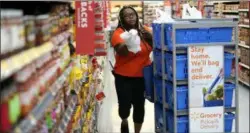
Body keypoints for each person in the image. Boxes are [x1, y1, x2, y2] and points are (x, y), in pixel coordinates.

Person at [111, 6, 153, 133]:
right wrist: (129, 40)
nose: (130, 17)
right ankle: (124, 120)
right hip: (123, 77)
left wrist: (150, 36)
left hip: (142, 77)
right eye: (126, 15)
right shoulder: (118, 33)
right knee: (124, 107)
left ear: (136, 16)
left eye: (132, 14)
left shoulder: (144, 31)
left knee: (139, 106)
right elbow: (122, 52)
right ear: (122, 19)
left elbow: (156, 45)